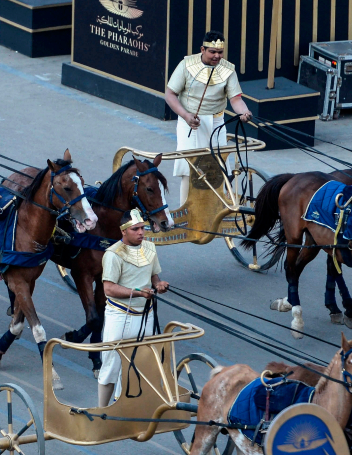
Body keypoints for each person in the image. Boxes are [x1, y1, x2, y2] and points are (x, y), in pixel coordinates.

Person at [165, 31, 253, 205]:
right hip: (190, 123)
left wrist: (244, 112)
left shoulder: (228, 69)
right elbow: (170, 94)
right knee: (189, 169)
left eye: (220, 52)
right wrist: (185, 115)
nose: (216, 56)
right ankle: (186, 208)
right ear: (202, 50)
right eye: (212, 52)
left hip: (217, 122)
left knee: (219, 167)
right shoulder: (186, 65)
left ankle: (217, 208)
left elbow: (235, 99)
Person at [97, 209, 170, 407]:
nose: (141, 233)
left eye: (143, 228)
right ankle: (102, 411)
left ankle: (126, 407)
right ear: (124, 231)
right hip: (120, 316)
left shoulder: (150, 248)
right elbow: (109, 288)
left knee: (140, 365)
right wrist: (138, 293)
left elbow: (153, 276)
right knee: (111, 365)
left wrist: (159, 284)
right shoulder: (113, 254)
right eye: (135, 229)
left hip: (146, 314)